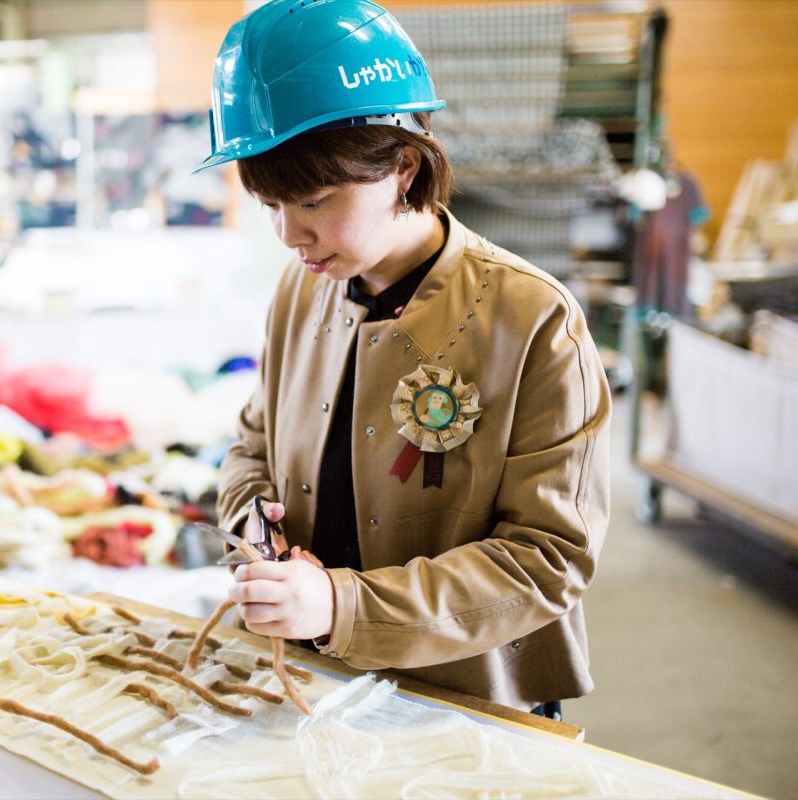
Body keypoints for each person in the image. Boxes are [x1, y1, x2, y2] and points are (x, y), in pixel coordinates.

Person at [195, 0, 611, 715]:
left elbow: (548, 559)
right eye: (269, 205)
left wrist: (342, 604)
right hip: (309, 681)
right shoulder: (301, 290)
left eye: (315, 201)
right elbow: (251, 446)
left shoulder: (532, 319)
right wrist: (251, 521)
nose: (289, 236)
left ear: (406, 167)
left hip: (465, 698)